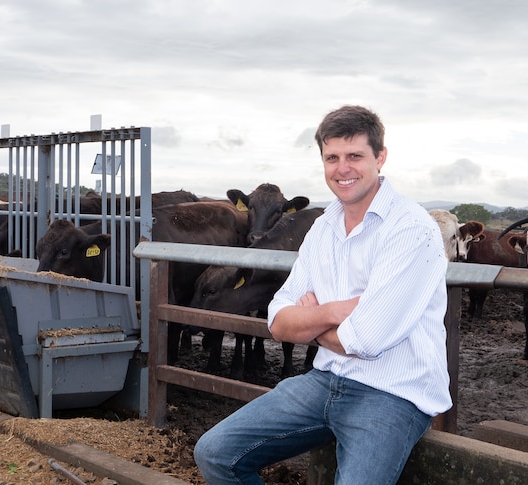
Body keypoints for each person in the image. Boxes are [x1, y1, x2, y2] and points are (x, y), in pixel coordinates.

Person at [193, 105, 452, 484]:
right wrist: (338, 311)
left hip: (392, 394)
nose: (342, 168)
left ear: (380, 157)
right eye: (332, 157)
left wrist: (311, 322)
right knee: (215, 453)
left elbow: (366, 339)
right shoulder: (322, 228)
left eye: (355, 156)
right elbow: (278, 319)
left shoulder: (412, 230)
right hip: (325, 379)